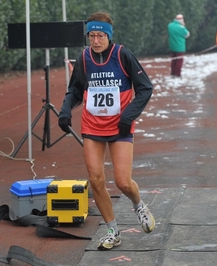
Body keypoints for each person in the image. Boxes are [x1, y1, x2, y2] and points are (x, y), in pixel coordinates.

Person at [58, 11, 155, 250]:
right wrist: (65, 111)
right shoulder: (84, 58)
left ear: (108, 36)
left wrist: (129, 115)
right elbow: (75, 90)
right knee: (96, 179)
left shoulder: (122, 54)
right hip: (92, 126)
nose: (95, 40)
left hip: (120, 125)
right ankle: (112, 229)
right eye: (91, 35)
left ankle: (139, 205)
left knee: (122, 182)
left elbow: (145, 88)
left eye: (100, 35)